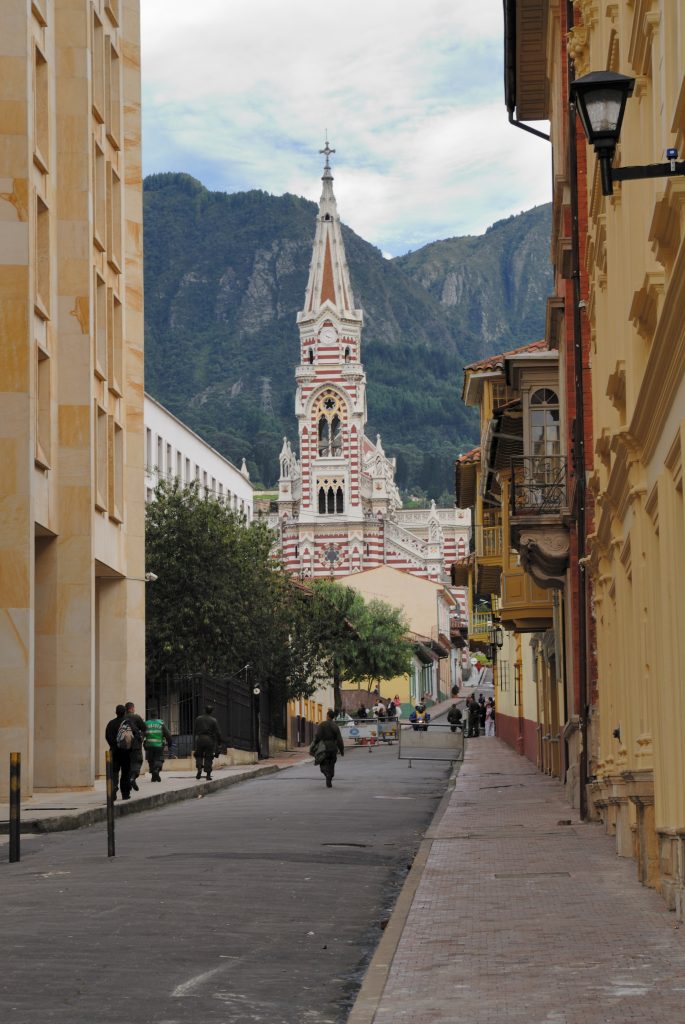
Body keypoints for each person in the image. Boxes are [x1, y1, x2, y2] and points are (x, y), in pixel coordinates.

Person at [309, 708, 344, 788]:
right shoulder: (335, 726)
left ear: (328, 716)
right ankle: (330, 777)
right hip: (333, 747)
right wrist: (341, 750)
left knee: (323, 764)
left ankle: (327, 774)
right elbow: (339, 739)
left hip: (324, 747)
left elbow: (317, 737)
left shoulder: (322, 724)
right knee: (332, 763)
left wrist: (314, 746)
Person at [105, 704, 131, 801]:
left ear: (116, 712)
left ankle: (113, 790)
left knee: (114, 772)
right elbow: (134, 736)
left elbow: (107, 736)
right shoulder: (127, 723)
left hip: (114, 752)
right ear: (125, 712)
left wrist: (112, 745)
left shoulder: (111, 723)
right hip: (125, 752)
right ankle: (125, 793)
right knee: (125, 773)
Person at [193, 704, 223, 780]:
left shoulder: (198, 719)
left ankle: (199, 768)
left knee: (198, 755)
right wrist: (219, 743)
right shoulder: (213, 720)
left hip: (200, 738)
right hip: (209, 740)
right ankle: (208, 775)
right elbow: (218, 733)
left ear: (204, 710)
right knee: (209, 757)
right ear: (212, 711)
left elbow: (195, 730)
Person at [124, 701, 147, 791]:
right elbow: (144, 729)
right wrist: (142, 737)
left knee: (127, 764)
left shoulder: (122, 718)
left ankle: (128, 784)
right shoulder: (136, 717)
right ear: (132, 708)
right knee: (137, 761)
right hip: (135, 745)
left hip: (124, 746)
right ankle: (132, 777)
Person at [144, 711, 173, 782]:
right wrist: (169, 743)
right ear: (157, 716)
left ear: (150, 716)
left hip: (149, 745)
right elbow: (168, 734)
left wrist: (143, 743)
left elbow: (142, 734)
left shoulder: (146, 723)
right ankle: (156, 770)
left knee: (151, 760)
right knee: (159, 759)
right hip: (159, 745)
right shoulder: (160, 723)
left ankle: (153, 776)